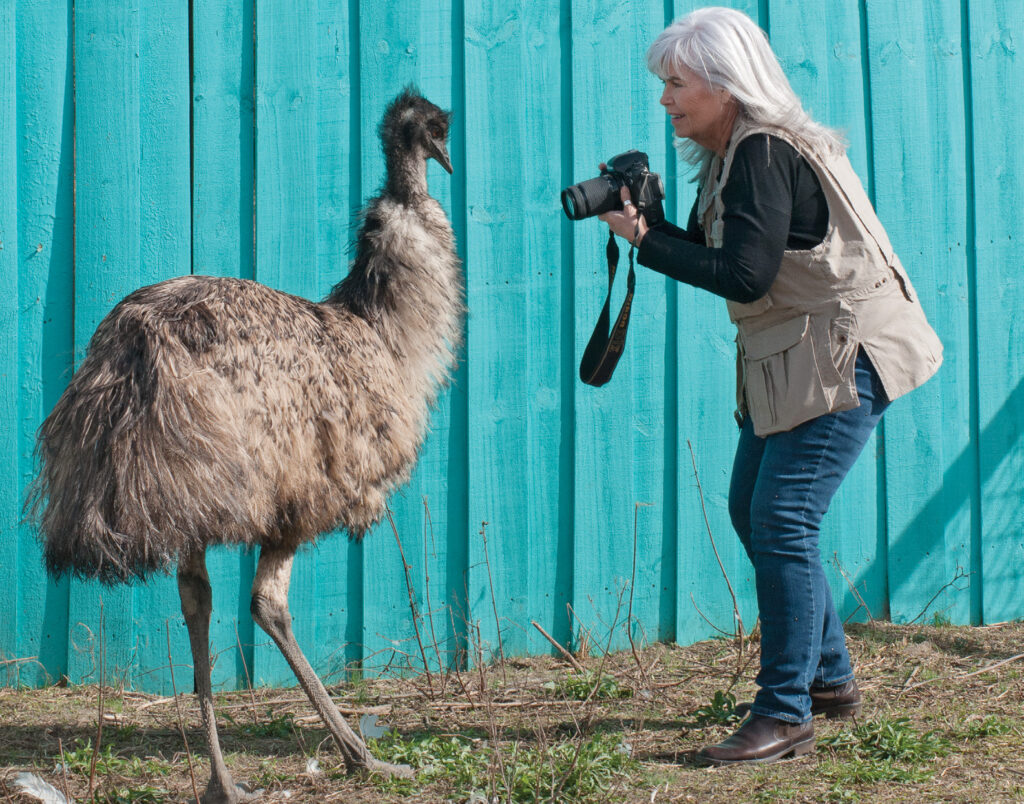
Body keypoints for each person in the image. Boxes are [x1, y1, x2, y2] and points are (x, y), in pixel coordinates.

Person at [598, 7, 943, 766]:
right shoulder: (732, 153)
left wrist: (647, 242)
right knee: (752, 509)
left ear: (725, 84)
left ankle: (784, 713)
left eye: (677, 84)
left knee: (783, 517)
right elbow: (737, 259)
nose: (665, 101)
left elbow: (745, 278)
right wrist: (650, 223)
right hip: (794, 352)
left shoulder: (760, 150)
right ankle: (828, 680)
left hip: (845, 349)